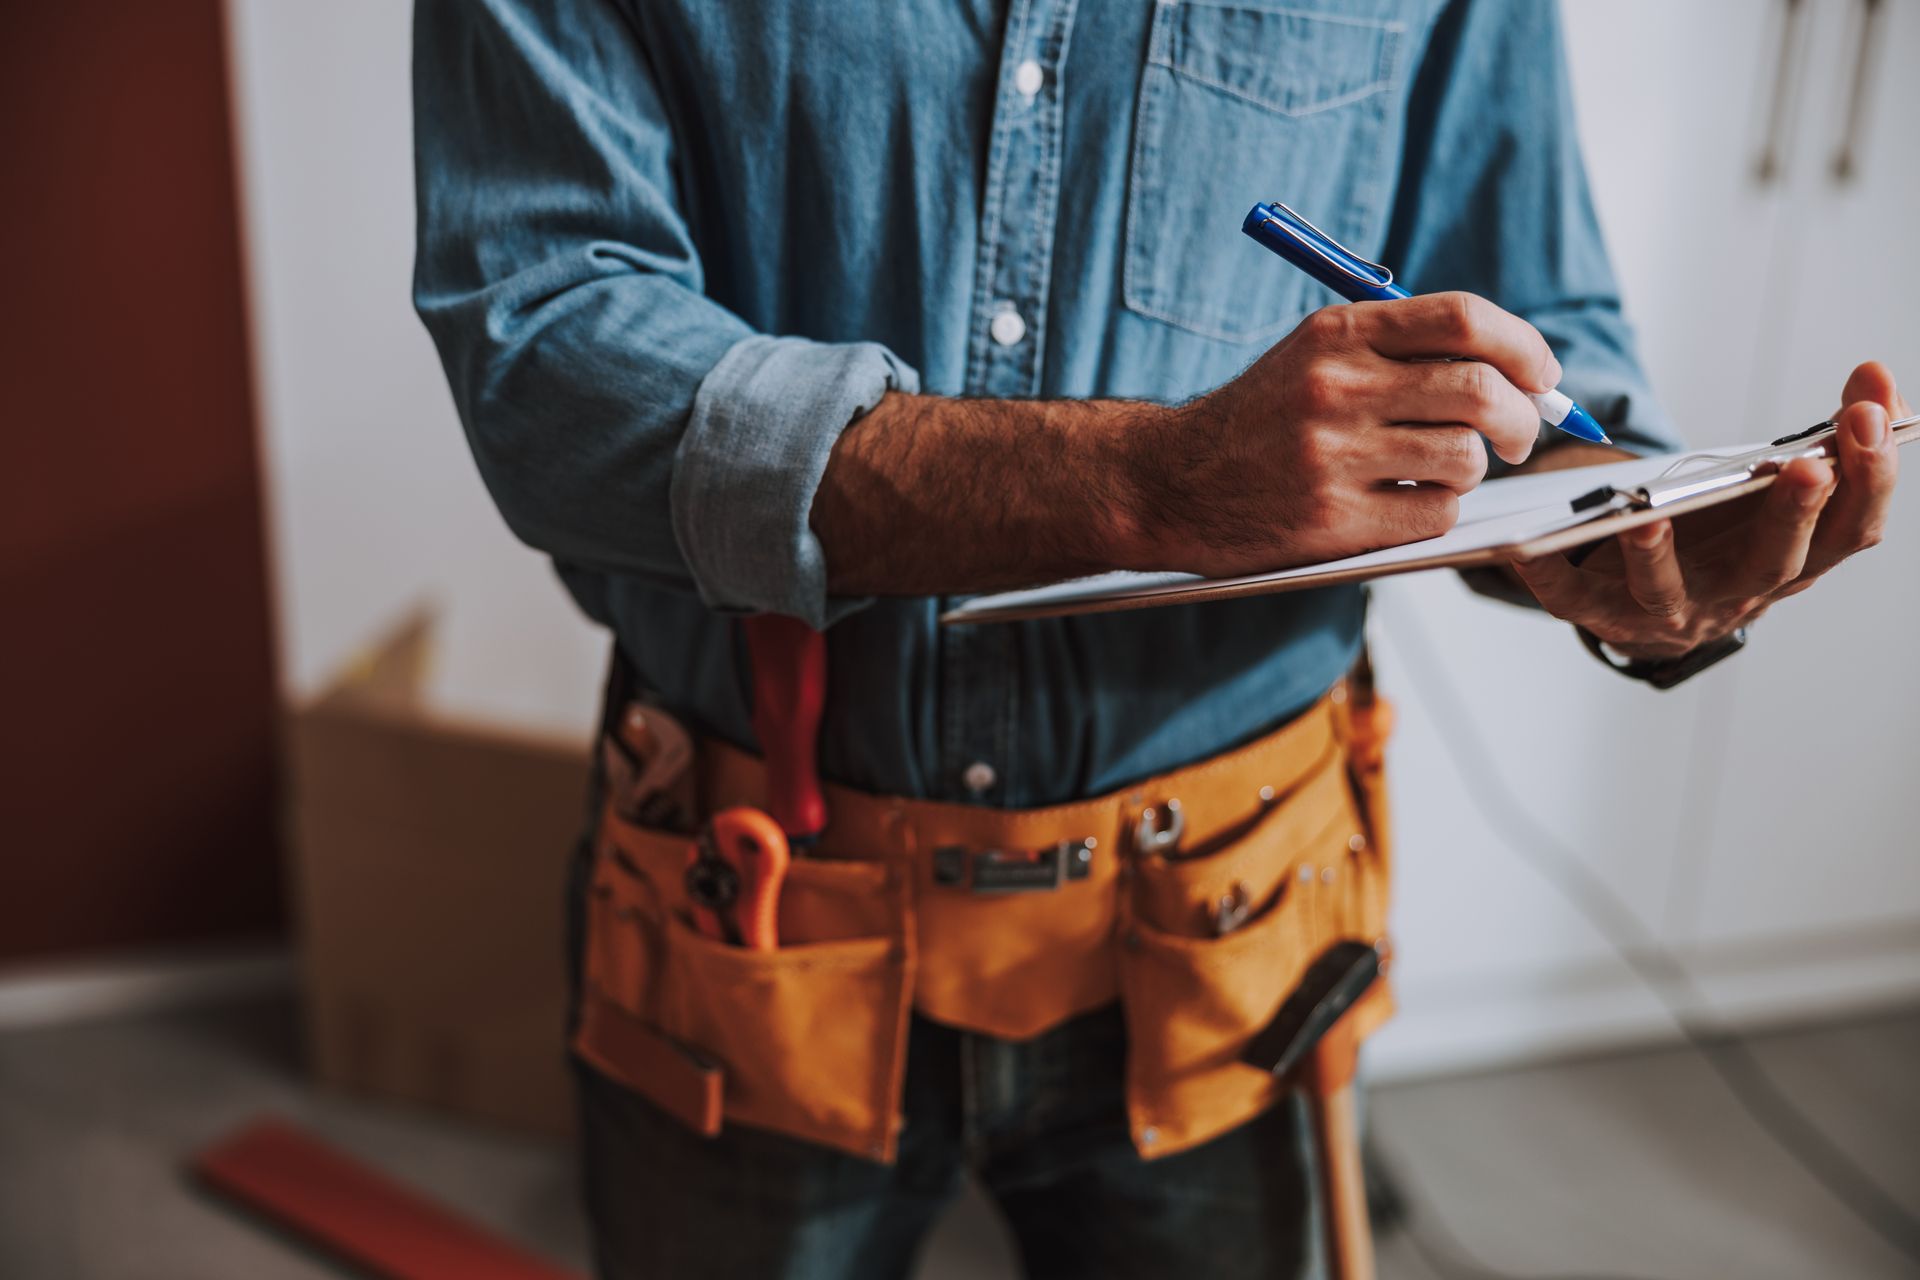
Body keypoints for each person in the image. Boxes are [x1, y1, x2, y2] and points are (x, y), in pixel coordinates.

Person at [411, 1, 1905, 1276]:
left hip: (1231, 928)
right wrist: (1147, 484)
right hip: (751, 896)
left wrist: (1615, 535)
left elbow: (1529, 356)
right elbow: (545, 354)